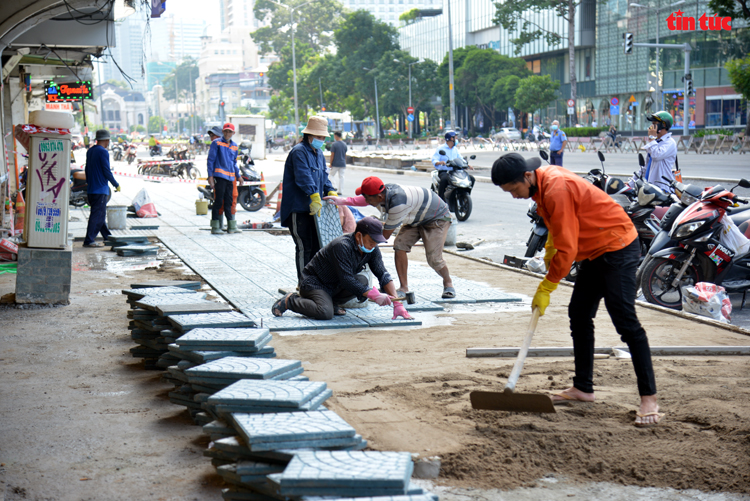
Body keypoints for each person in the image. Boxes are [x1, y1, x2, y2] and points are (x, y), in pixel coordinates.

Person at [491, 152, 662, 428]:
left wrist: (548, 284)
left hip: (617, 244)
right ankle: (583, 388)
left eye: (514, 190)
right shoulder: (540, 184)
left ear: (526, 176)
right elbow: (557, 226)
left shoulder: (555, 187)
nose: (514, 196)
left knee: (625, 320)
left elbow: (568, 249)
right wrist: (549, 248)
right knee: (579, 313)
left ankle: (649, 398)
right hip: (595, 250)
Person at [325, 176, 456, 299]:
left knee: (434, 258)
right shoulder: (381, 192)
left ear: (379, 196)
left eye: (368, 198)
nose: (366, 201)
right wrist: (341, 201)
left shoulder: (398, 205)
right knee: (399, 246)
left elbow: (384, 236)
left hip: (436, 217)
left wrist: (363, 249)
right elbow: (363, 200)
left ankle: (448, 283)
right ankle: (404, 288)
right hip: (415, 216)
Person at [272, 217, 412, 321]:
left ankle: (332, 303)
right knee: (324, 313)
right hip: (314, 283)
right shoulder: (342, 246)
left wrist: (398, 304)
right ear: (358, 236)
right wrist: (373, 295)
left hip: (335, 285)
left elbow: (382, 274)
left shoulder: (372, 249)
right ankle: (290, 301)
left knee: (362, 281)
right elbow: (347, 280)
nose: (373, 245)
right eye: (371, 241)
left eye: (376, 243)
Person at [280, 116, 337, 283]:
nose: (321, 140)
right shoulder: (299, 152)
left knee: (317, 249)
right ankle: (304, 285)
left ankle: (315, 285)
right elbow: (303, 177)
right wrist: (314, 195)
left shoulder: (318, 153)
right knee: (304, 247)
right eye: (318, 137)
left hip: (314, 210)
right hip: (298, 208)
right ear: (309, 136)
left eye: (323, 137)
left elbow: (323, 176)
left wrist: (331, 191)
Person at [83, 129, 121, 248]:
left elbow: (86, 169)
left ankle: (107, 237)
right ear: (106, 140)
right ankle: (89, 240)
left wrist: (89, 183)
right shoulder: (103, 152)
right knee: (98, 215)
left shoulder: (90, 151)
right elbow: (106, 171)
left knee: (99, 214)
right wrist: (116, 184)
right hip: (100, 189)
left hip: (91, 189)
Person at [627, 111, 677, 193]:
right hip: (650, 188)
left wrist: (651, 138)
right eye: (652, 124)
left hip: (662, 189)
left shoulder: (670, 142)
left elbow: (656, 155)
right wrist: (630, 184)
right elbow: (646, 168)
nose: (651, 127)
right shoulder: (655, 142)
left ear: (664, 125)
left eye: (655, 124)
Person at [208, 123, 243, 235]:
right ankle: (215, 227)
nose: (227, 133)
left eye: (230, 132)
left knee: (228, 202)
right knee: (218, 201)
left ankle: (231, 226)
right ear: (223, 132)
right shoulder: (216, 143)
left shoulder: (234, 146)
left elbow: (234, 163)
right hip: (220, 177)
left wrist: (238, 176)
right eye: (226, 131)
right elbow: (211, 160)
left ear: (233, 133)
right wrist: (210, 177)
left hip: (230, 178)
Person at [432, 131, 460, 201]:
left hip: (454, 171)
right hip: (444, 171)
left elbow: (460, 158)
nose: (456, 139)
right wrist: (439, 162)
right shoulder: (440, 148)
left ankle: (462, 195)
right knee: (444, 179)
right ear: (450, 138)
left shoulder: (455, 149)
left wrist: (467, 164)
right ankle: (440, 200)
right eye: (455, 137)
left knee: (470, 179)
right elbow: (434, 159)